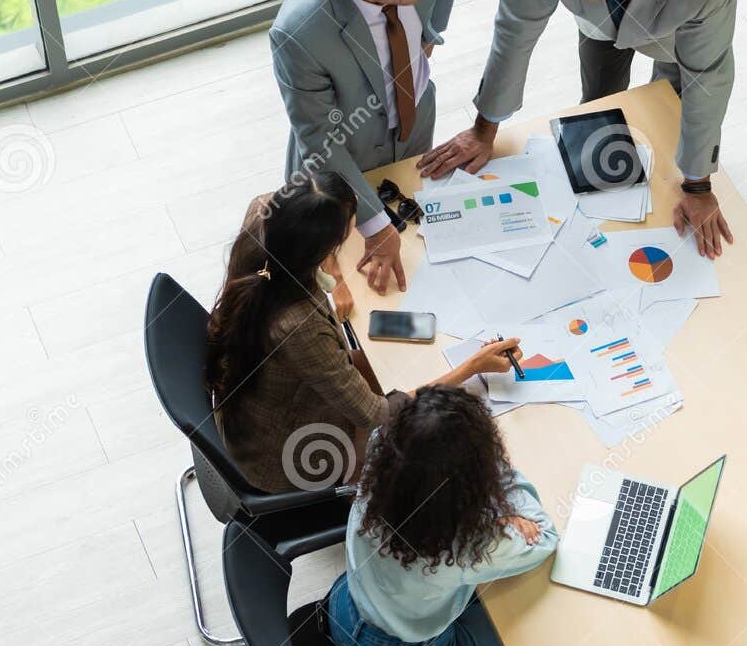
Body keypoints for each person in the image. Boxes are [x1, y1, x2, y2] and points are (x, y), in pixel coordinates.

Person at [419, 0, 747, 259]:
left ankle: (671, 156)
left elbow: (709, 72)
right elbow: (515, 28)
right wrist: (484, 128)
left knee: (675, 78)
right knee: (600, 66)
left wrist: (699, 186)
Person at [208, 171, 520, 494]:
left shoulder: (263, 219)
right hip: (285, 457)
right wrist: (472, 367)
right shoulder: (298, 328)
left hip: (254, 405)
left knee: (386, 365)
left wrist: (336, 277)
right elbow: (378, 416)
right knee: (426, 446)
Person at [270, 0, 465, 300]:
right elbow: (320, 140)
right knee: (336, 278)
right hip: (344, 153)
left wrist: (433, 30)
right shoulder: (298, 33)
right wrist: (375, 225)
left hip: (413, 125)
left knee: (414, 254)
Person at [324, 385, 558, 646]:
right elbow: (544, 536)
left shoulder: (381, 451)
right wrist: (492, 468)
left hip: (347, 606)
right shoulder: (467, 544)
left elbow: (419, 430)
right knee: (549, 626)